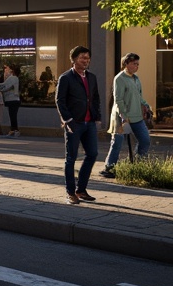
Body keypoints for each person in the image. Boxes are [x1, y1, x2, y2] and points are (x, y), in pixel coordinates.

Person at [55, 45, 101, 204]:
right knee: (71, 158)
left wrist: (97, 116)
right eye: (82, 57)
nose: (86, 60)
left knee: (93, 154)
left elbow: (95, 98)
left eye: (88, 58)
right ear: (74, 59)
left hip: (90, 123)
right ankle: (70, 192)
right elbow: (60, 100)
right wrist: (68, 120)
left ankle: (81, 189)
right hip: (74, 123)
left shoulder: (92, 77)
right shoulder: (66, 77)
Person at [100, 52, 151, 179]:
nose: (137, 66)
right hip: (121, 116)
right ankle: (109, 168)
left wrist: (146, 105)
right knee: (117, 142)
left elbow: (139, 96)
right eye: (134, 64)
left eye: (138, 64)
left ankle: (137, 165)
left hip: (137, 116)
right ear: (126, 64)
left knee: (145, 140)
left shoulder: (136, 78)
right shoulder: (119, 78)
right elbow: (118, 99)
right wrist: (123, 115)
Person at [0, 63, 21, 136]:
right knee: (12, 115)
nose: (5, 70)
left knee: (12, 115)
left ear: (11, 70)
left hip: (12, 99)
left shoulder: (13, 78)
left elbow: (5, 86)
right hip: (13, 100)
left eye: (7, 68)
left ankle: (14, 130)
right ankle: (14, 129)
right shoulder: (12, 78)